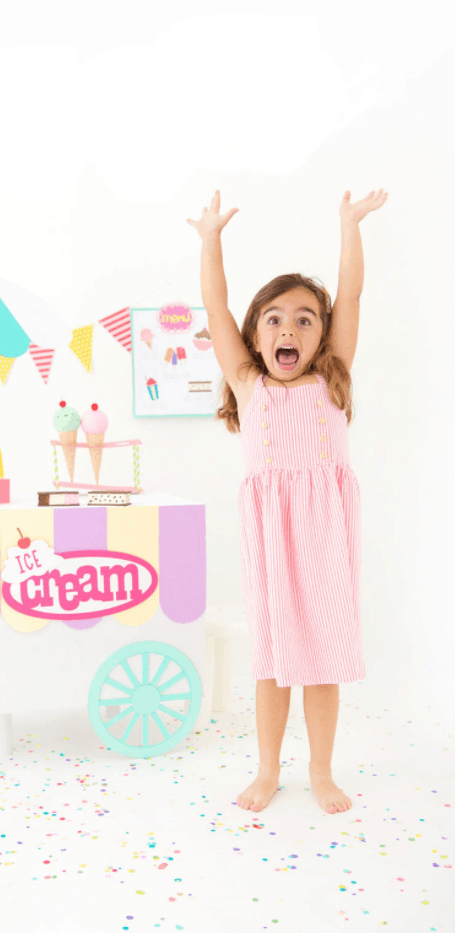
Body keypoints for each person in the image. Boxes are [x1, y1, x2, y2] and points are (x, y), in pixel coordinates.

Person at [187, 188, 388, 814]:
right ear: (255, 336)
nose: (289, 328)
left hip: (325, 535)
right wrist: (211, 240)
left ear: (322, 336)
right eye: (273, 318)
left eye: (305, 318)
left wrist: (348, 226)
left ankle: (322, 770)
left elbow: (350, 296)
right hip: (270, 536)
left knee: (322, 657)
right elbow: (216, 308)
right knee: (273, 659)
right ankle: (268, 769)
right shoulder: (250, 385)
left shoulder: (332, 378)